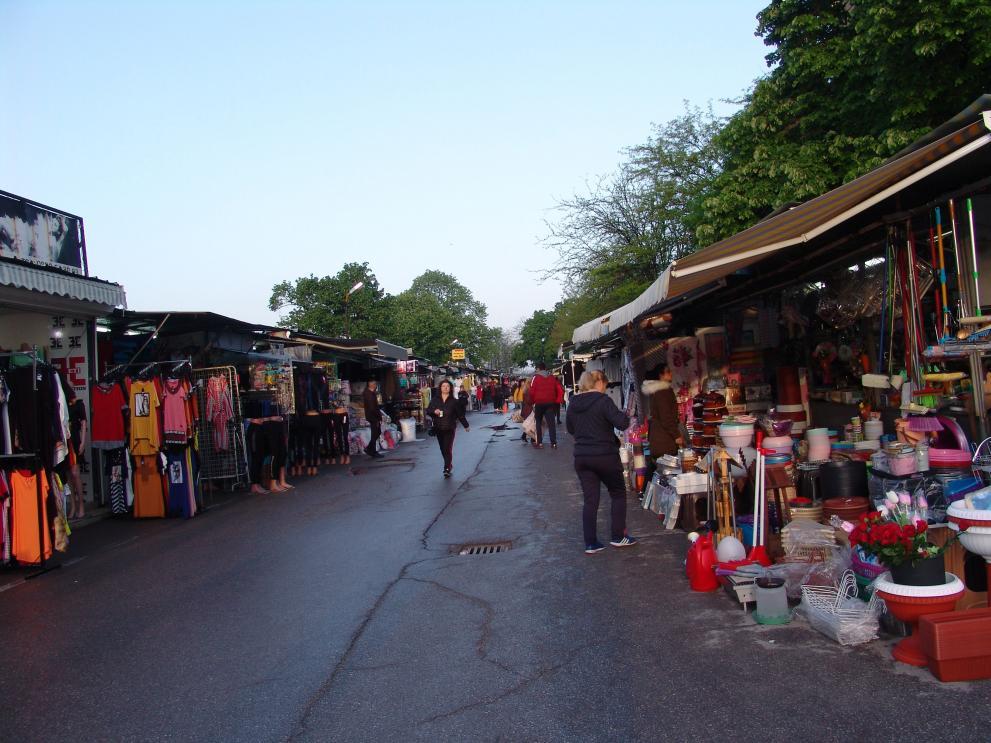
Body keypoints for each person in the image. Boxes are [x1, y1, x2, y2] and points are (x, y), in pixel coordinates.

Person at [566, 370, 637, 553]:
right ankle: (618, 536)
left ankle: (590, 543)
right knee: (617, 493)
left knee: (590, 500)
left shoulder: (573, 402)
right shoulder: (603, 401)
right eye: (604, 385)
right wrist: (625, 414)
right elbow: (621, 423)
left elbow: (570, 428)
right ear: (597, 384)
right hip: (605, 455)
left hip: (582, 457)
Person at [427, 379, 470, 477]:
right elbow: (428, 410)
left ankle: (447, 468)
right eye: (443, 386)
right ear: (440, 388)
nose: (445, 388)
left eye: (447, 386)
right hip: (438, 427)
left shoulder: (454, 401)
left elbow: (460, 414)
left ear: (450, 388)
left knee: (447, 448)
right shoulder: (435, 400)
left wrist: (466, 425)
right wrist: (434, 411)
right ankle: (448, 464)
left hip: (450, 428)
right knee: (442, 449)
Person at [642, 362, 682, 459]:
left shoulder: (660, 390)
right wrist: (676, 436)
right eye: (668, 372)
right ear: (661, 375)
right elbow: (666, 417)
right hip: (663, 440)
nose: (671, 374)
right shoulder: (662, 391)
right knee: (667, 469)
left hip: (661, 438)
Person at [530, 362, 565, 449]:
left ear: (538, 368)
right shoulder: (552, 377)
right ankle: (553, 443)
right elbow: (558, 389)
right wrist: (557, 400)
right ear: (545, 368)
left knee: (538, 422)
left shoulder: (535, 377)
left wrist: (533, 402)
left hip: (539, 403)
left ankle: (540, 443)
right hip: (550, 403)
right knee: (551, 423)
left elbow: (532, 391)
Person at [362, 379, 384, 458]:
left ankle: (369, 449)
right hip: (373, 417)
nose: (375, 386)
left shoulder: (370, 393)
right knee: (375, 433)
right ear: (372, 385)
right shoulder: (369, 394)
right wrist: (378, 417)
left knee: (376, 432)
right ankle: (372, 451)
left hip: (372, 416)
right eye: (375, 384)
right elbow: (372, 408)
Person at [519, 378, 533, 443]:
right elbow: (529, 401)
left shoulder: (525, 390)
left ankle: (525, 436)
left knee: (530, 424)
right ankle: (526, 436)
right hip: (529, 409)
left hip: (526, 409)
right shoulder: (528, 390)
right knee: (531, 424)